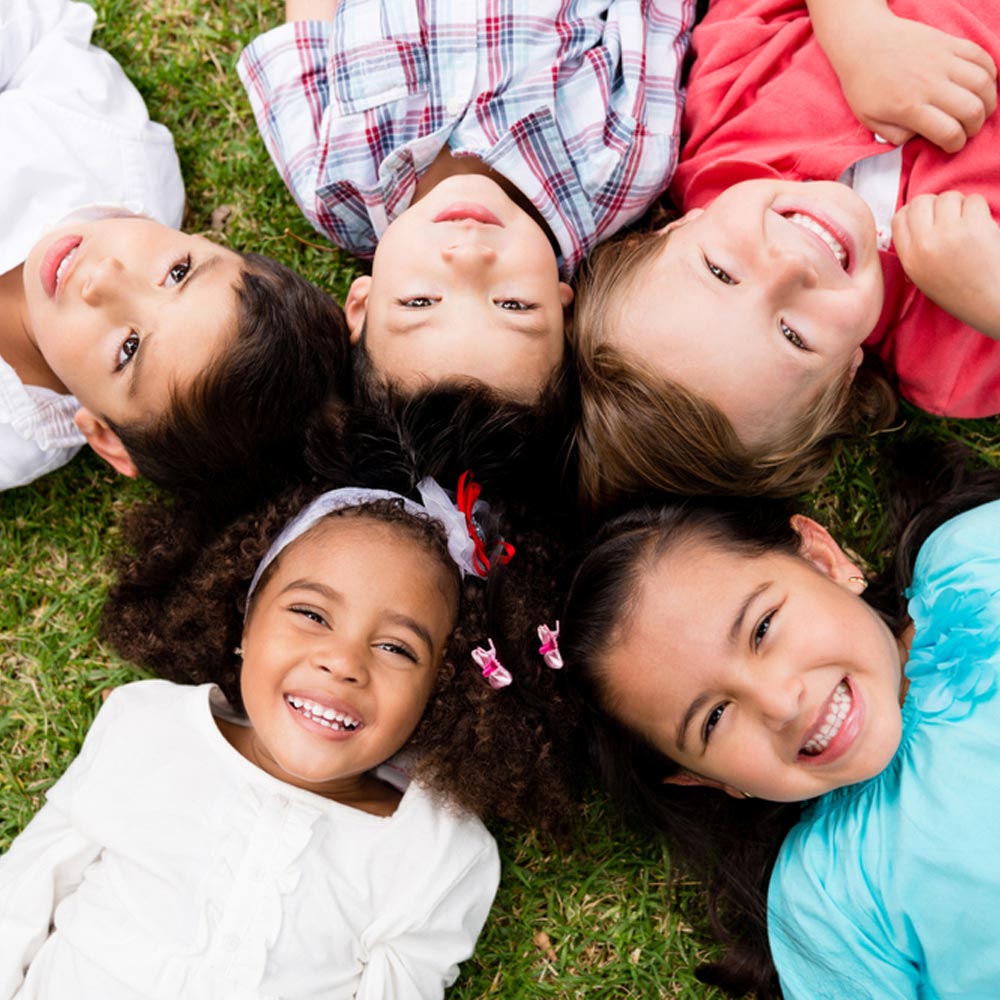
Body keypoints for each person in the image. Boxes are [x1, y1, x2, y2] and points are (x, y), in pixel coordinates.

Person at [0, 480, 545, 998]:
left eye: (397, 648)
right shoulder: (149, 726)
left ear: (441, 690)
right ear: (244, 620)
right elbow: (22, 893)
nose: (343, 662)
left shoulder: (435, 849)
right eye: (311, 614)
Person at [559, 442, 1000, 998]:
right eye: (714, 718)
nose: (780, 703)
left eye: (763, 628)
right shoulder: (825, 900)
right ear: (707, 779)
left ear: (823, 559)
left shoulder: (977, 563)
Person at [572, 0, 1000, 509]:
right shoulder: (950, 357)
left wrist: (859, 35)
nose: (792, 267)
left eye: (721, 272)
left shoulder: (725, 124)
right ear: (843, 382)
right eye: (793, 336)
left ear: (670, 230)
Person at [237, 0, 694, 402]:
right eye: (513, 305)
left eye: (419, 302)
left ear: (362, 303)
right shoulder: (622, 165)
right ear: (565, 311)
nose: (469, 256)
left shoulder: (331, 186)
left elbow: (307, 34)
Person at [1, 0, 350, 510]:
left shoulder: (9, 445)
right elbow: (42, 31)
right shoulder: (116, 154)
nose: (104, 277)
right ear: (215, 246)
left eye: (128, 349)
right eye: (177, 272)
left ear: (106, 436)